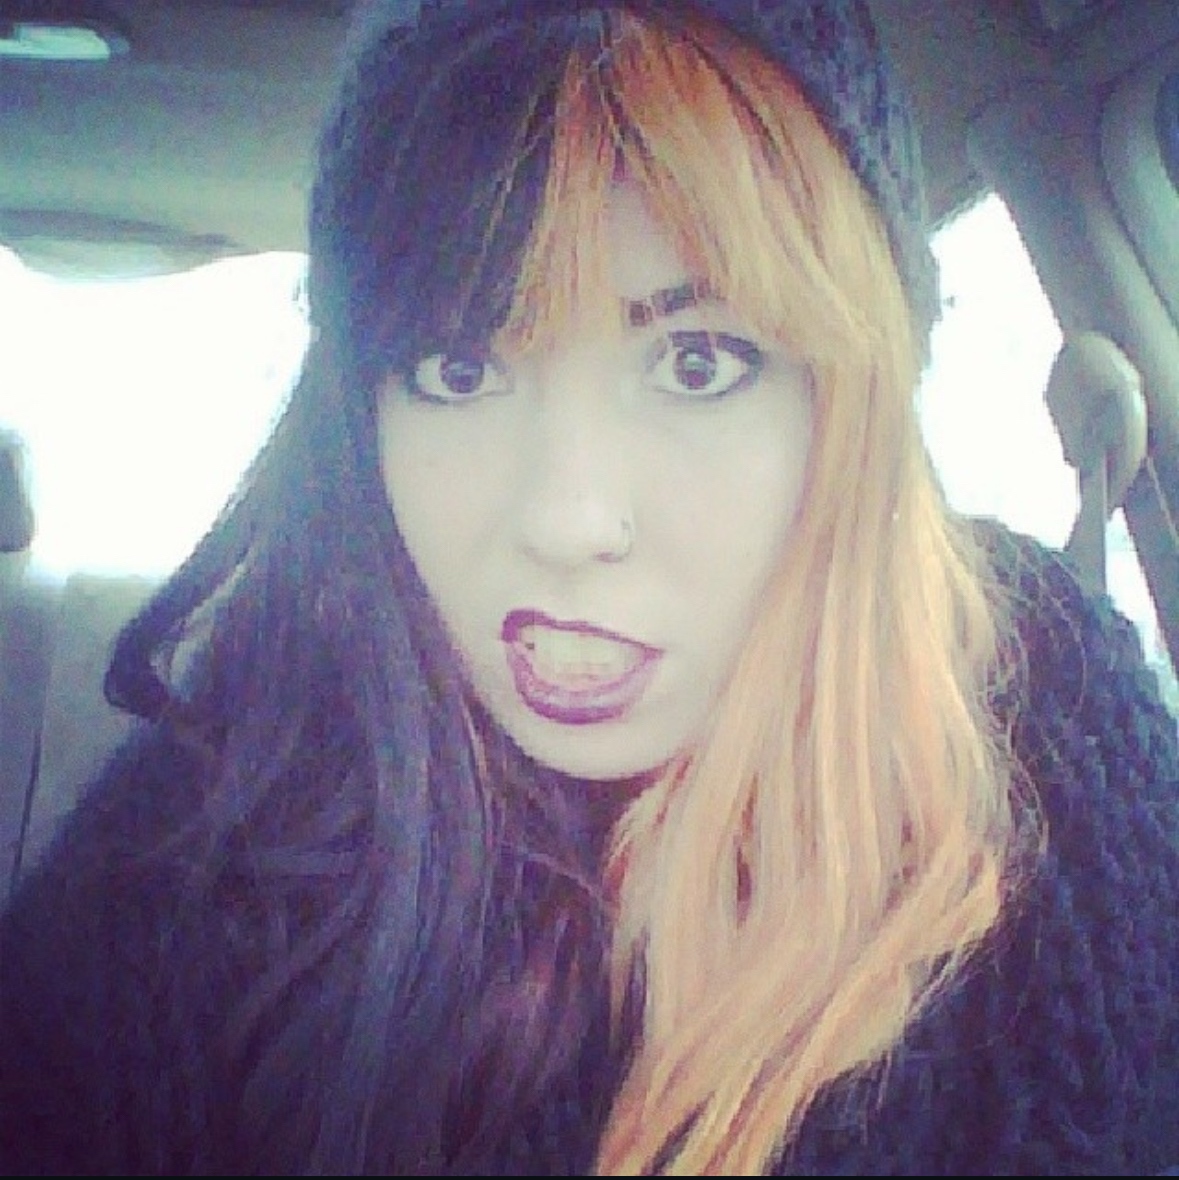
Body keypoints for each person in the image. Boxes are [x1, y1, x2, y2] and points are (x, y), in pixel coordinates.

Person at [2, 0, 1177, 1173]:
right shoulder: (190, 866)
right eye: (457, 367)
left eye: (698, 362)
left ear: (852, 398)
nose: (566, 520)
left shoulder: (1065, 760)